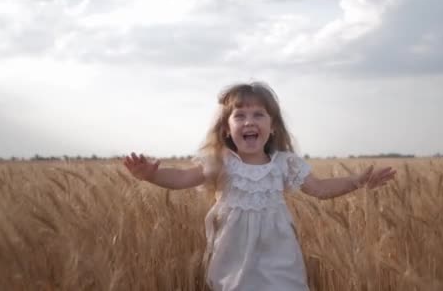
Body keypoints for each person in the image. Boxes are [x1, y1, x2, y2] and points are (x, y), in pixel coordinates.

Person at [123, 82, 396, 291]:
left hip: (279, 254)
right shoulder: (222, 163)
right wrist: (149, 175)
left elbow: (320, 188)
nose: (249, 121)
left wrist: (356, 181)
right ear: (226, 130)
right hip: (234, 257)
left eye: (258, 115)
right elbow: (183, 179)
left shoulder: (285, 164)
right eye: (239, 116)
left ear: (273, 127)